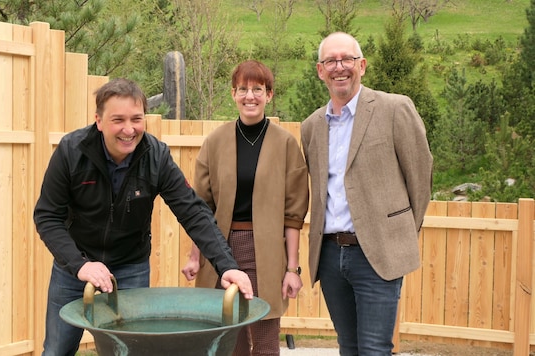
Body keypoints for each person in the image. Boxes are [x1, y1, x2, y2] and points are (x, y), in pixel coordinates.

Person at [33, 78, 254, 356]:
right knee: (56, 350)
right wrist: (80, 265)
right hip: (74, 269)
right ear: (98, 121)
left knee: (132, 352)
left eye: (137, 119)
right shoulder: (71, 152)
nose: (129, 129)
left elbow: (194, 212)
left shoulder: (156, 156)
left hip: (130, 268)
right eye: (118, 120)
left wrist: (227, 265)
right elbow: (47, 216)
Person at [300, 32, 433, 355]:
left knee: (374, 349)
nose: (339, 67)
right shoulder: (311, 126)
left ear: (362, 65)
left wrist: (396, 234)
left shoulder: (394, 108)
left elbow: (420, 177)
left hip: (377, 255)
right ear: (320, 71)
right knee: (348, 347)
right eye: (331, 61)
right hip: (330, 257)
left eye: (346, 59)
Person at [181, 60, 309, 356]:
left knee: (265, 341)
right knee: (229, 340)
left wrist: (292, 269)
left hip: (265, 252)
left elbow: (294, 215)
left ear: (269, 95)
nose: (250, 96)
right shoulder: (215, 142)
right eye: (243, 89)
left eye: (258, 89)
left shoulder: (286, 144)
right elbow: (201, 208)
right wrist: (194, 256)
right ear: (233, 94)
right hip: (220, 249)